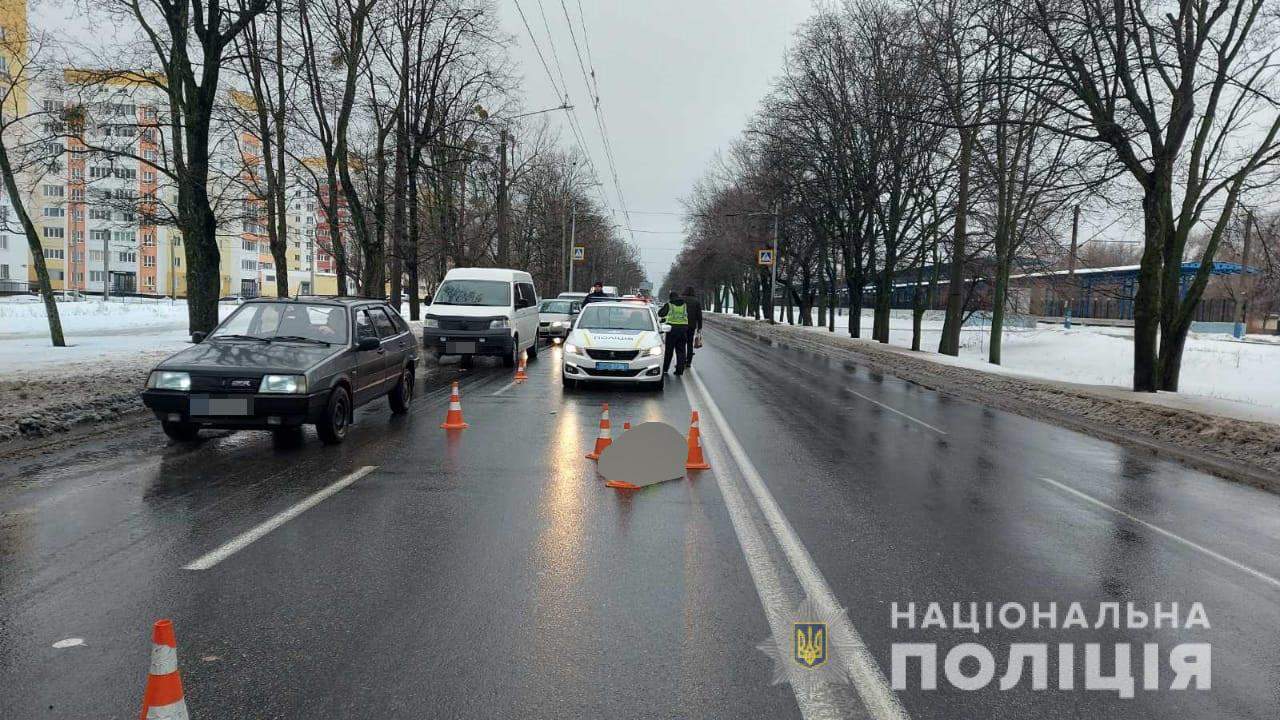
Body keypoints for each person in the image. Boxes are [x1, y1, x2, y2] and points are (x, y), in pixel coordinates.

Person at [657, 290, 690, 375]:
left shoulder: (669, 304)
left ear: (670, 298)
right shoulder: (684, 305)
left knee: (669, 350)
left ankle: (665, 369)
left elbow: (660, 313)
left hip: (672, 330)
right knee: (681, 351)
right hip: (683, 330)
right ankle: (680, 370)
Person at [682, 286, 703, 369]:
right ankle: (688, 362)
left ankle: (682, 361)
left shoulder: (682, 300)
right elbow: (699, 316)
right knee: (690, 344)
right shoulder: (696, 301)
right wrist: (699, 327)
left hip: (682, 325)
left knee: (682, 343)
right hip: (692, 325)